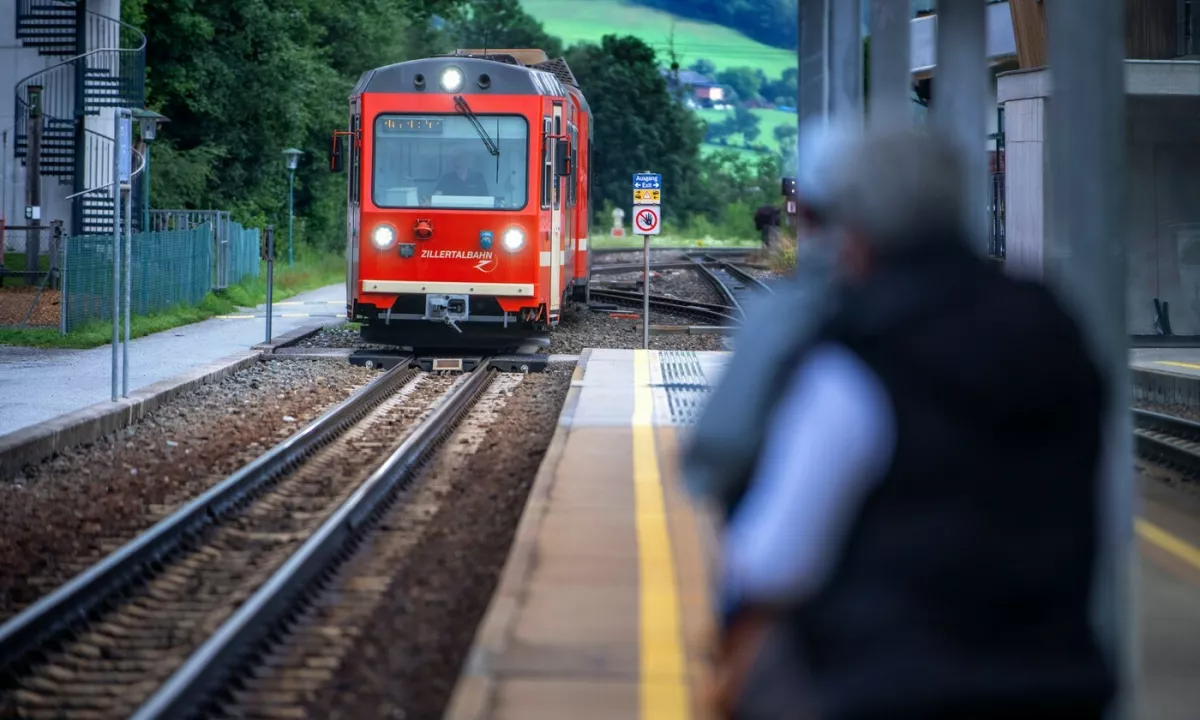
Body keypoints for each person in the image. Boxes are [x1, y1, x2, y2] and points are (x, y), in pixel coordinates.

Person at [684, 121, 1116, 719]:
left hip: (890, 688)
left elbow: (774, 561)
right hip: (1061, 684)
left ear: (852, 229)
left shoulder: (860, 353)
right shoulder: (1052, 328)